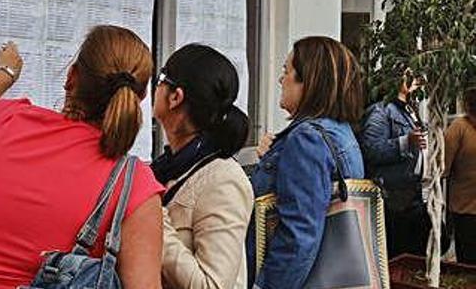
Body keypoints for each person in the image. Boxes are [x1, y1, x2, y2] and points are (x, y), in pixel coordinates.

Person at [0, 25, 164, 289]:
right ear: (140, 98)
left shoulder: (7, 123)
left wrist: (8, 70)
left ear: (71, 77)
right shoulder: (134, 184)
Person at [247, 36, 366, 289]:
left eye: (286, 71)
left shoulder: (307, 139)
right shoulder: (339, 131)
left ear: (309, 81)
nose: (281, 79)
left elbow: (298, 235)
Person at [150, 44, 253, 289]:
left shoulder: (223, 180)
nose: (154, 86)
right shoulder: (166, 167)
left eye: (161, 78)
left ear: (176, 97)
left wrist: (152, 216)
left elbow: (212, 285)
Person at [359, 72, 429, 259]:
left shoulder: (410, 110)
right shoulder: (380, 111)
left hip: (412, 194)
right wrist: (405, 141)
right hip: (393, 199)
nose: (415, 80)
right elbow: (371, 150)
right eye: (409, 75)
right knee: (396, 256)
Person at [444, 85, 476, 265]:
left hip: (465, 209)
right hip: (466, 207)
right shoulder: (460, 128)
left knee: (467, 264)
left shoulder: (459, 128)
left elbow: (443, 167)